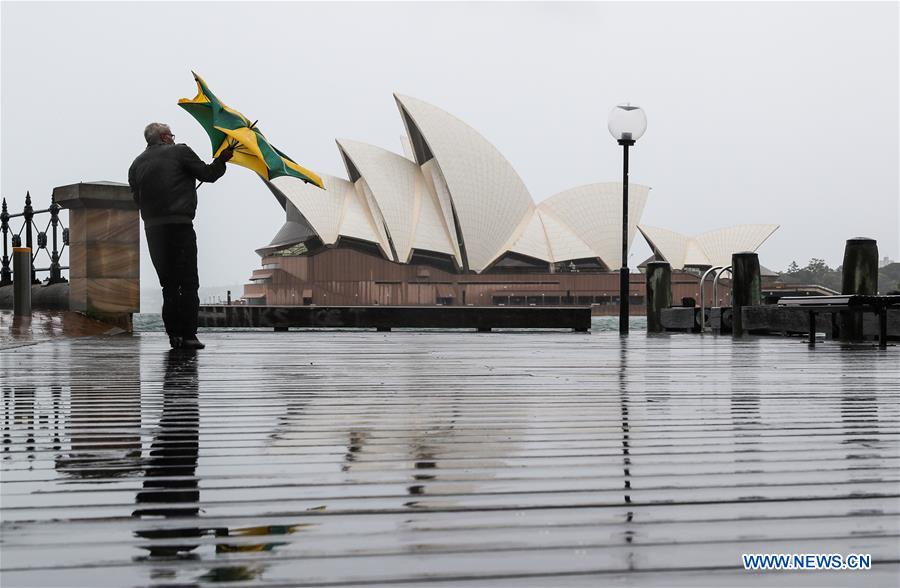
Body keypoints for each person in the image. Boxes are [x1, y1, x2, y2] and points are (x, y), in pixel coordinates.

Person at [128, 122, 233, 349]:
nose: (174, 138)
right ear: (165, 137)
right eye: (172, 135)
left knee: (168, 285)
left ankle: (173, 336)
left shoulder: (136, 164)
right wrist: (223, 160)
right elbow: (208, 174)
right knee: (188, 284)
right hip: (180, 226)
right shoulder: (180, 151)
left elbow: (137, 198)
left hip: (153, 230)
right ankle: (188, 335)